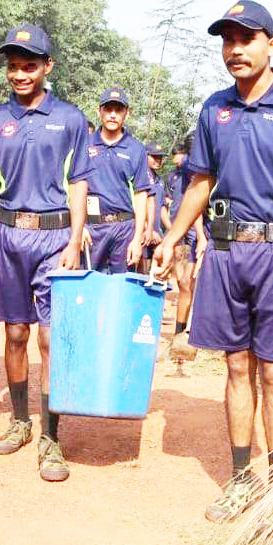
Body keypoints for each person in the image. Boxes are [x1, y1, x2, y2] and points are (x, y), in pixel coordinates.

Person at [153, 0, 273, 522]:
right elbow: (200, 181)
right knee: (237, 366)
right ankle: (242, 479)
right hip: (225, 251)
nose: (235, 50)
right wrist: (171, 238)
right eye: (227, 40)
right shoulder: (214, 108)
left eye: (247, 39)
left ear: (271, 45)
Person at [0, 24, 93, 482]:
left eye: (29, 65)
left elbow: (79, 183)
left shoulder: (72, 119)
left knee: (49, 337)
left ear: (47, 67)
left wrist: (76, 241)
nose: (20, 74)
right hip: (6, 237)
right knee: (15, 333)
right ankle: (20, 421)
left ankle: (51, 436)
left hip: (54, 237)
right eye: (13, 66)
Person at [81, 87, 152, 273]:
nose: (113, 115)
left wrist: (137, 239)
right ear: (99, 111)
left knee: (121, 289)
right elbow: (73, 188)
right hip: (91, 228)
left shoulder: (136, 149)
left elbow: (141, 194)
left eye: (118, 110)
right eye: (108, 109)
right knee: (89, 287)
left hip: (124, 229)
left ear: (126, 114)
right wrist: (78, 227)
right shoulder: (83, 144)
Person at [162, 137, 206, 364]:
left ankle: (185, 333)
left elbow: (198, 202)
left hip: (193, 230)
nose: (177, 158)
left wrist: (199, 235)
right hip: (179, 229)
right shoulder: (175, 175)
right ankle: (180, 332)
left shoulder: (193, 165)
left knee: (188, 282)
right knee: (182, 282)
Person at [140, 142, 167, 274]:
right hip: (142, 230)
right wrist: (147, 228)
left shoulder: (160, 180)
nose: (158, 160)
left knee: (162, 261)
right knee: (142, 270)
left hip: (156, 230)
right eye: (154, 157)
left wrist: (171, 228)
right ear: (145, 156)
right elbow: (135, 206)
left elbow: (161, 206)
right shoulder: (140, 177)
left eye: (160, 157)